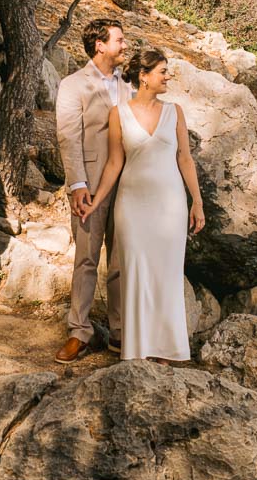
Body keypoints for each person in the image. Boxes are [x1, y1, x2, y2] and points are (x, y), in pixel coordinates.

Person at [81, 48, 205, 362]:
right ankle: (138, 349)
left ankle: (167, 349)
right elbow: (114, 163)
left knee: (166, 275)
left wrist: (197, 202)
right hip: (132, 206)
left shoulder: (175, 112)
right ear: (144, 76)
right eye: (163, 71)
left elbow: (185, 159)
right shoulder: (118, 113)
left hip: (171, 205)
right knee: (135, 274)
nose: (168, 76)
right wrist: (95, 202)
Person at [54, 18, 132, 364]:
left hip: (127, 183)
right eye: (119, 39)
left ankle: (120, 331)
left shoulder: (128, 85)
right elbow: (68, 136)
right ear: (100, 45)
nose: (125, 45)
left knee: (121, 257)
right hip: (89, 183)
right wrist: (77, 184)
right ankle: (79, 331)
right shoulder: (73, 84)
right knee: (86, 257)